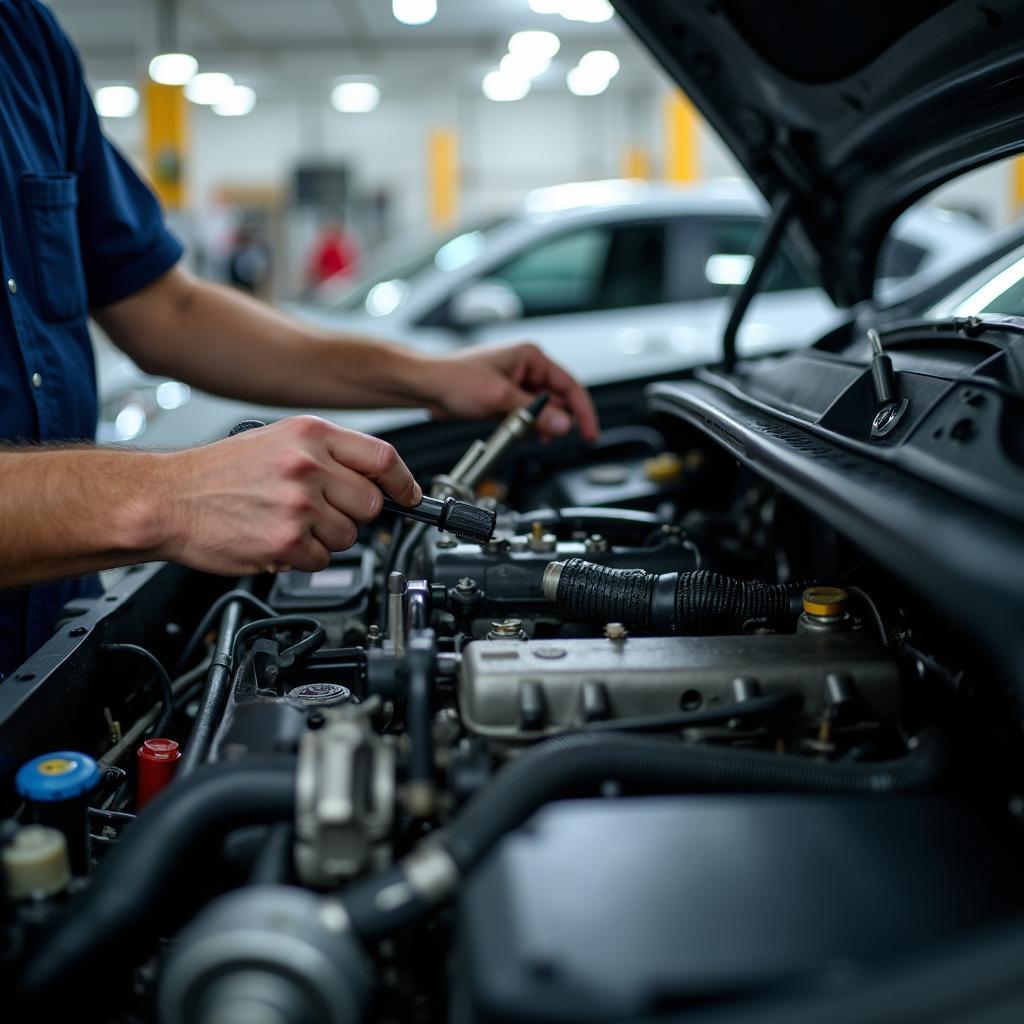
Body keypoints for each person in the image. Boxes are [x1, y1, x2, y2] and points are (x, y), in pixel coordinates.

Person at [0, 1, 599, 679]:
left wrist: (428, 375)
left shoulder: (23, 37)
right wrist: (170, 497)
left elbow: (169, 309)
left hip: (56, 658)